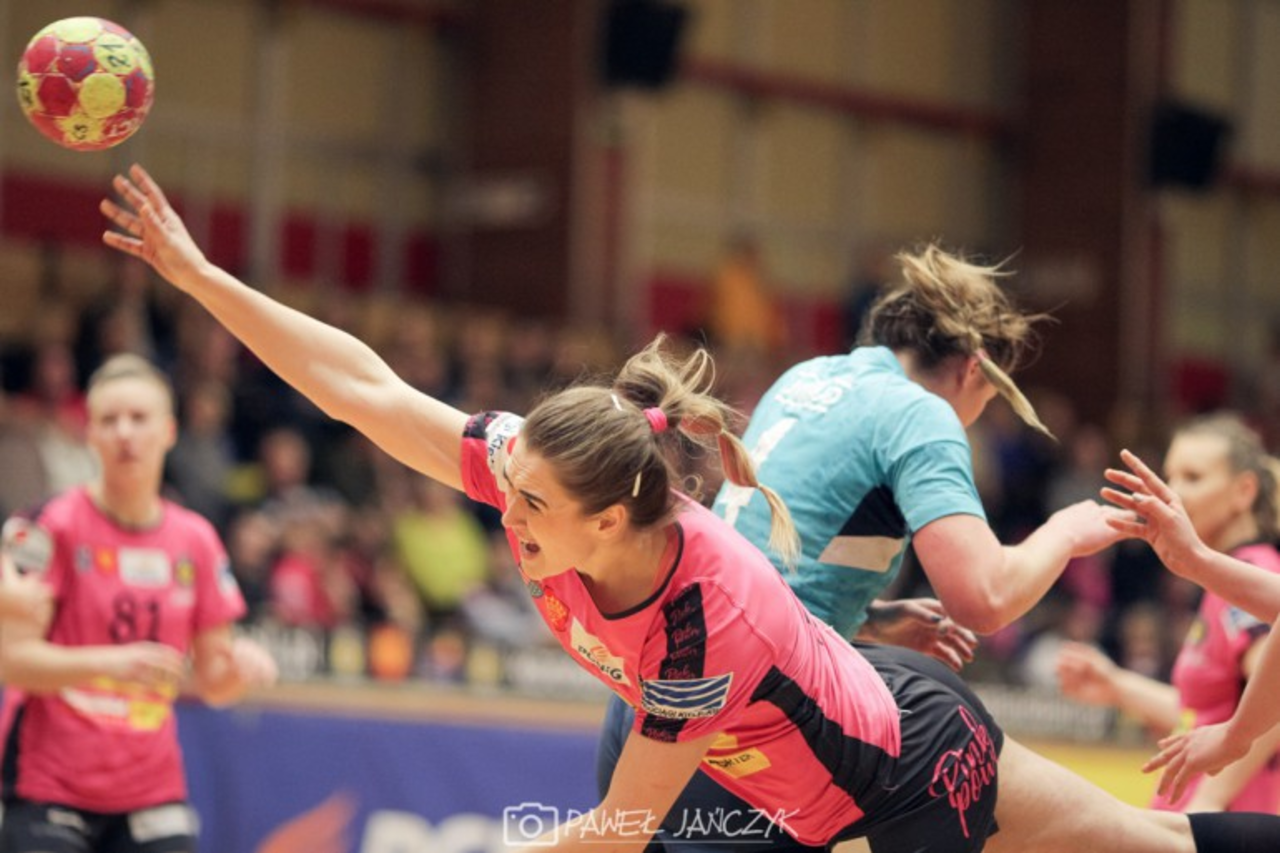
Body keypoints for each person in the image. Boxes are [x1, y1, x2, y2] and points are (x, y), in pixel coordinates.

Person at [99, 163, 1280, 852]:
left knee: (1143, 842)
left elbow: (618, 828)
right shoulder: (558, 470)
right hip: (799, 722)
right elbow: (363, 389)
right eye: (511, 491)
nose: (506, 519)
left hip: (900, 769)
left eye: (529, 507)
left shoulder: (696, 621)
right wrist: (201, 278)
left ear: (611, 522)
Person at [601, 243, 1127, 848]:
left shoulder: (806, 377)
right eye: (985, 403)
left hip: (650, 690)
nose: (973, 419)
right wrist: (1065, 532)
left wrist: (871, 619)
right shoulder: (918, 412)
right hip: (747, 713)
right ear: (974, 372)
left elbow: (768, 556)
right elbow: (983, 597)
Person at [0, 353, 279, 853]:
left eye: (138, 418)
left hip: (149, 789)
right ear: (90, 434)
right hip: (48, 785)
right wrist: (111, 664)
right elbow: (11, 662)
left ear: (169, 431)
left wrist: (242, 667)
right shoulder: (46, 526)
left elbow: (215, 682)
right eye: (109, 420)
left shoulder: (195, 539)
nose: (124, 433)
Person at [1057, 413, 1280, 813]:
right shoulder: (1222, 580)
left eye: (1193, 477)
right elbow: (1205, 715)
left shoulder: (1253, 575)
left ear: (1243, 491)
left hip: (1223, 822)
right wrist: (1116, 684)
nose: (1174, 492)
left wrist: (1211, 798)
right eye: (1170, 476)